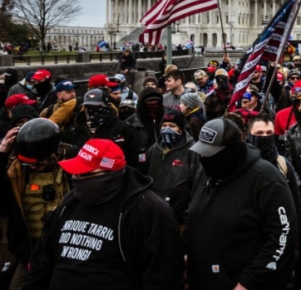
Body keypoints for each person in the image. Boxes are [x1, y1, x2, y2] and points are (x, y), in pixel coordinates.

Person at [26, 139, 184, 289]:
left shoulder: (148, 210)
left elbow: (164, 277)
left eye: (83, 173)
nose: (75, 178)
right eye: (74, 173)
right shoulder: (70, 202)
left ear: (110, 173)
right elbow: (41, 261)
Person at [187, 117, 298, 290]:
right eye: (202, 151)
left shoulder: (266, 179)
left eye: (210, 153)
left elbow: (282, 235)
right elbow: (193, 214)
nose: (203, 157)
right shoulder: (204, 173)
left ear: (230, 151)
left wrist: (248, 282)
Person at [0, 118, 75, 288]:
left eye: (38, 163)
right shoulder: (16, 171)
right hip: (29, 254)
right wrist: (2, 154)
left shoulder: (71, 164)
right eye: (28, 164)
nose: (32, 167)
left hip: (64, 253)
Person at [145, 109, 199, 225]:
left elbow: (196, 184)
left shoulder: (192, 151)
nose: (167, 129)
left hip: (177, 215)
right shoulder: (153, 150)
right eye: (164, 125)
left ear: (181, 128)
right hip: (152, 211)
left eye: (172, 126)